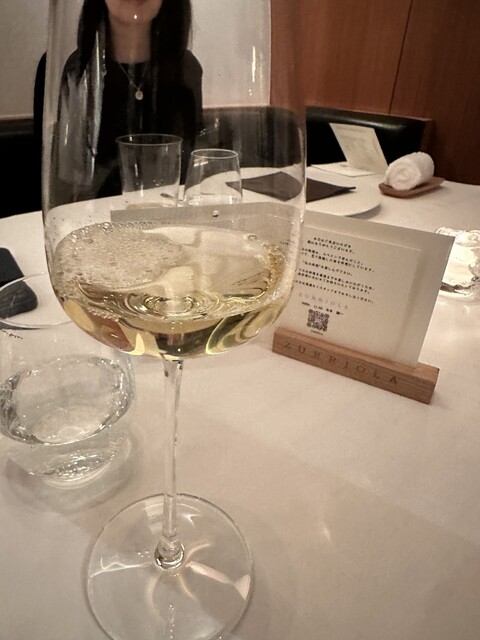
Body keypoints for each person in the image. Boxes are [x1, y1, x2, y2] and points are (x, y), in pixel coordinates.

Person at [34, 0, 203, 206]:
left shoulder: (186, 70)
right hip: (89, 219)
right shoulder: (74, 72)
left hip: (166, 218)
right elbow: (61, 186)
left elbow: (188, 176)